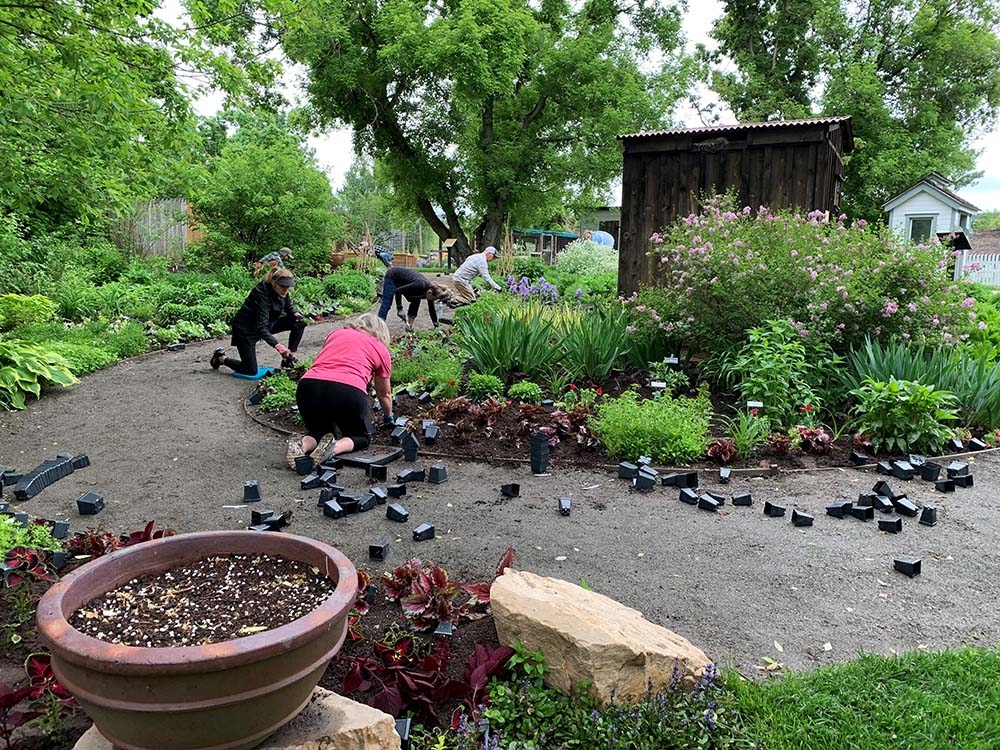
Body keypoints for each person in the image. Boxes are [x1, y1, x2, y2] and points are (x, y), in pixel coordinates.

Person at [286, 312, 394, 468]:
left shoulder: (336, 334)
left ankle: (301, 446)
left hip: (308, 386)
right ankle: (333, 448)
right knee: (359, 436)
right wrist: (388, 416)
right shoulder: (380, 349)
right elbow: (384, 394)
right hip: (347, 390)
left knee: (318, 432)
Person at [210, 267, 306, 374]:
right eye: (283, 286)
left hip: (267, 325)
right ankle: (220, 358)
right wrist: (278, 346)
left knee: (299, 322)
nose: (285, 290)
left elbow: (288, 307)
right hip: (246, 330)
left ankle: (288, 358)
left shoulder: (283, 291)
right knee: (250, 370)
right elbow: (261, 328)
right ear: (274, 283)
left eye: (288, 287)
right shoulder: (261, 293)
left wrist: (295, 313)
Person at [378, 266, 454, 331]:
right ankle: (378, 326)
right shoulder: (420, 285)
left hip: (404, 282)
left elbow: (432, 310)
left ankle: (409, 326)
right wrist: (400, 309)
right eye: (433, 299)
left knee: (416, 300)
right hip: (393, 276)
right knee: (387, 302)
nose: (432, 301)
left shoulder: (430, 291)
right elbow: (398, 291)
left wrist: (437, 327)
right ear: (430, 292)